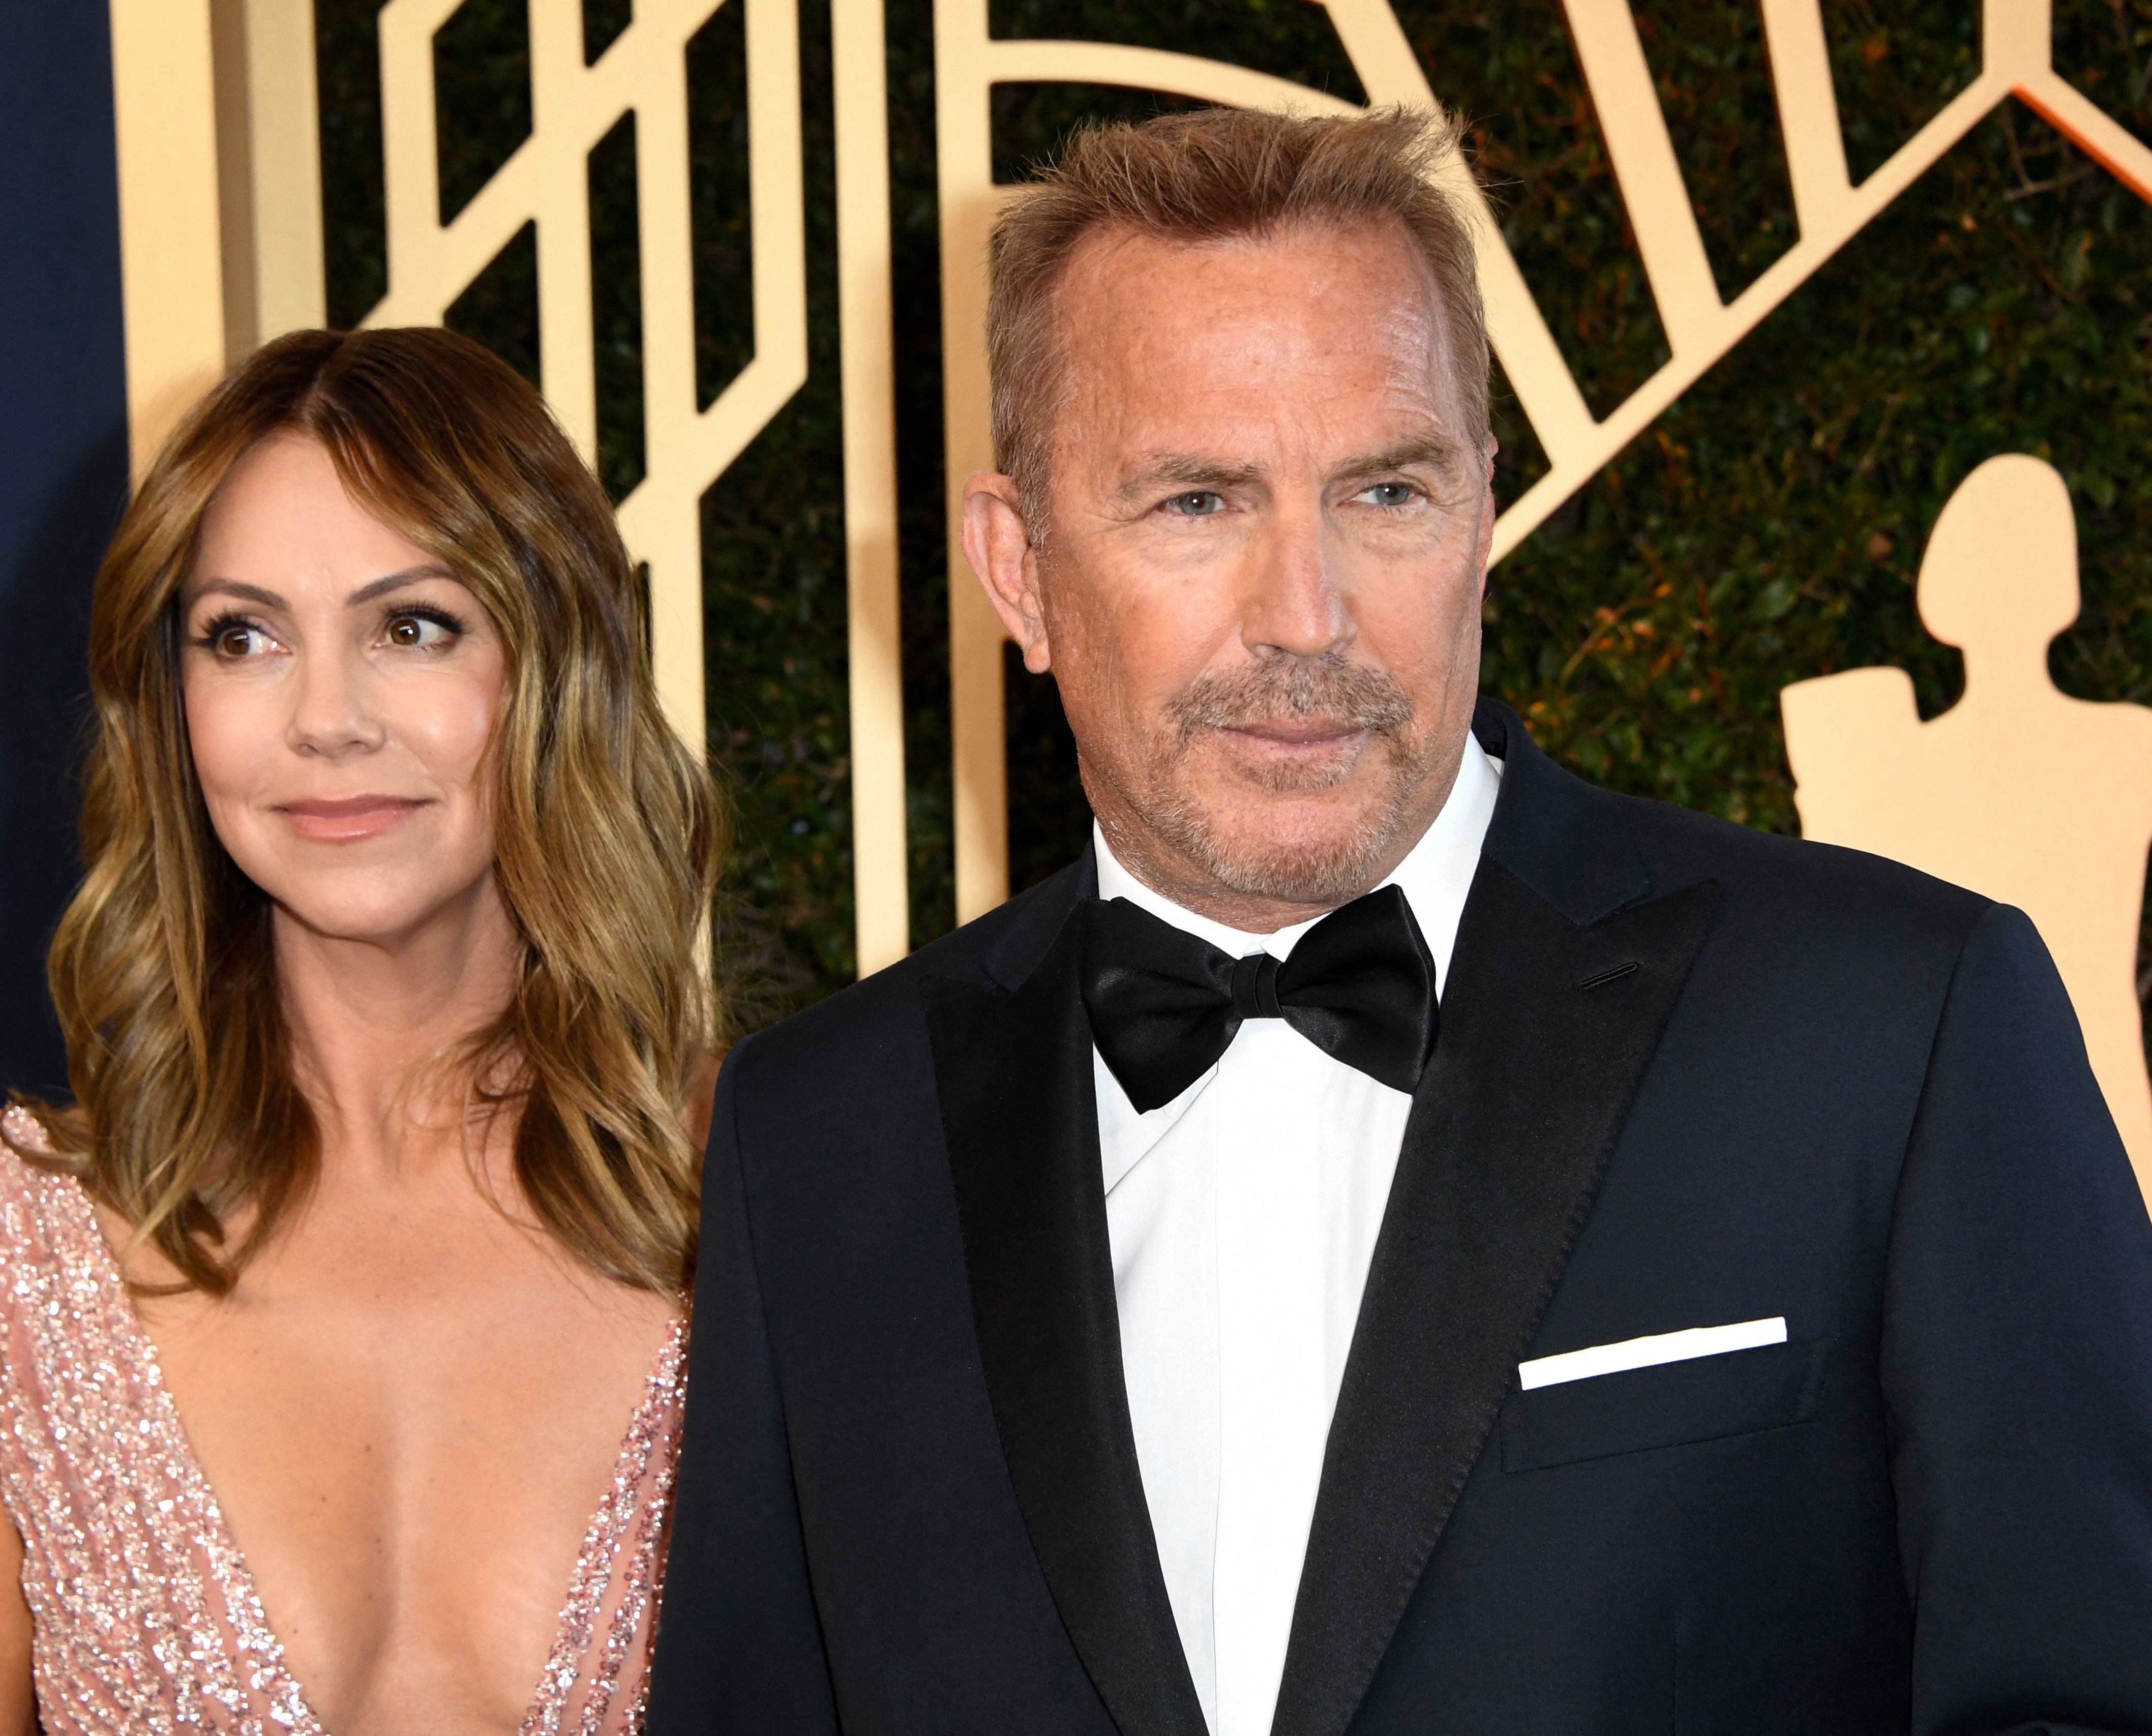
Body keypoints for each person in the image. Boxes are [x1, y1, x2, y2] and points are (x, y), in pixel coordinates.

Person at [647, 106, 2152, 1734]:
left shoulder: (1889, 1031)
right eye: (1196, 503)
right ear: (1017, 569)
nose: (1308, 617)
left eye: (1383, 491)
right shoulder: (820, 1142)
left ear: (1484, 515)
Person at [0, 327, 718, 1735]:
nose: (323, 720)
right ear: (171, 707)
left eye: (412, 625)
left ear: (556, 666)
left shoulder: (769, 1202)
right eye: (242, 637)